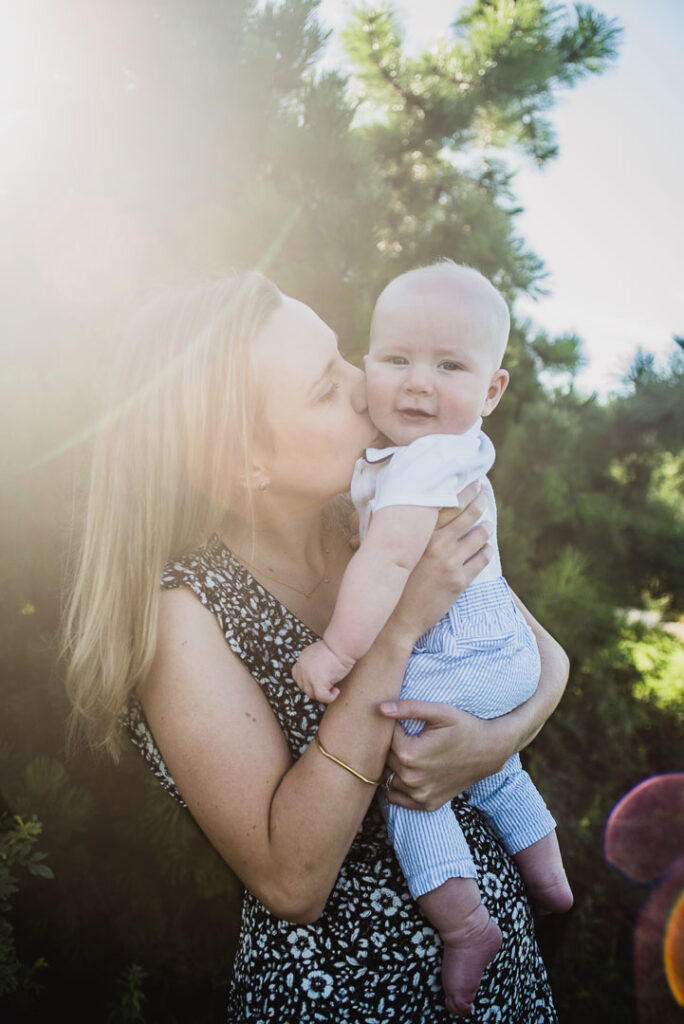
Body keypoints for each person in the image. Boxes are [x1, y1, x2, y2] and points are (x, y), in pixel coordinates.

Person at [63, 269, 569, 1023]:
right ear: (246, 463)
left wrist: (492, 744)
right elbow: (291, 881)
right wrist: (397, 632)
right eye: (324, 389)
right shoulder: (186, 615)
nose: (365, 387)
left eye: (343, 359)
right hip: (346, 999)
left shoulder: (379, 512)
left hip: (507, 986)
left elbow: (544, 658)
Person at [292, 262, 573, 1015]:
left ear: (492, 391)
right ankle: (550, 881)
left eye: (448, 365)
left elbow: (388, 563)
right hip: (495, 651)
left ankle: (468, 926)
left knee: (410, 770)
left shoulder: (426, 460)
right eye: (396, 359)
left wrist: (336, 653)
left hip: (463, 653)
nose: (417, 383)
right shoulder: (426, 453)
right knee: (495, 771)